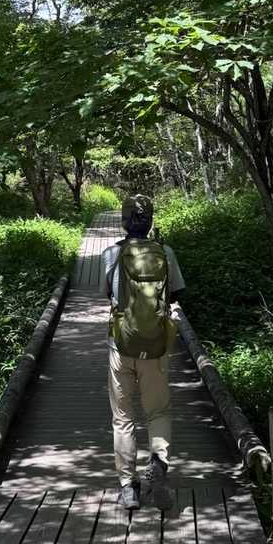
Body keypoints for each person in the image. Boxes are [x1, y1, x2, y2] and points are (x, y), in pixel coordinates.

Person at [104, 193, 185, 510]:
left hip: (121, 345)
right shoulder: (165, 252)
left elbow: (106, 294)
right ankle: (159, 464)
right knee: (158, 411)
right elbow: (176, 294)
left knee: (123, 418)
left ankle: (128, 487)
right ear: (150, 221)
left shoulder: (112, 254)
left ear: (124, 221)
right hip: (155, 346)